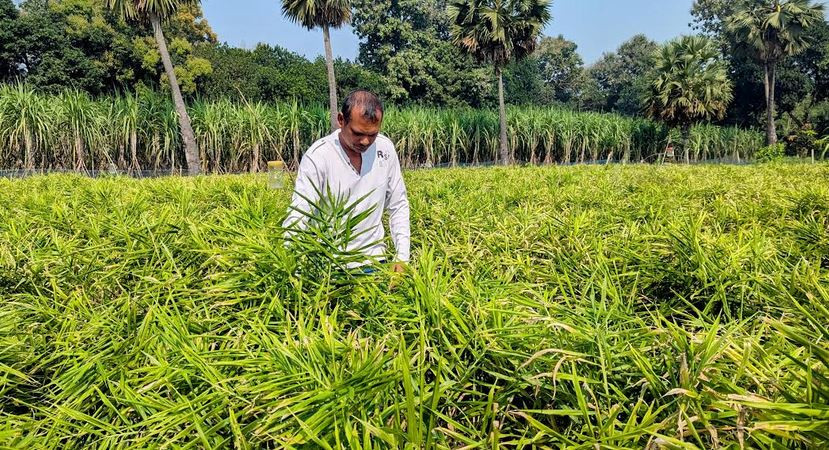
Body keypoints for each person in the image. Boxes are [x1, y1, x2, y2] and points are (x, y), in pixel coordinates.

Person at [282, 90, 410, 274]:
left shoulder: (385, 148)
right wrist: (291, 268)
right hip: (330, 265)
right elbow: (300, 213)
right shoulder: (319, 156)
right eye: (358, 133)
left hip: (374, 261)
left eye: (372, 134)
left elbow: (398, 204)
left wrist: (402, 256)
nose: (366, 141)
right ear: (341, 120)